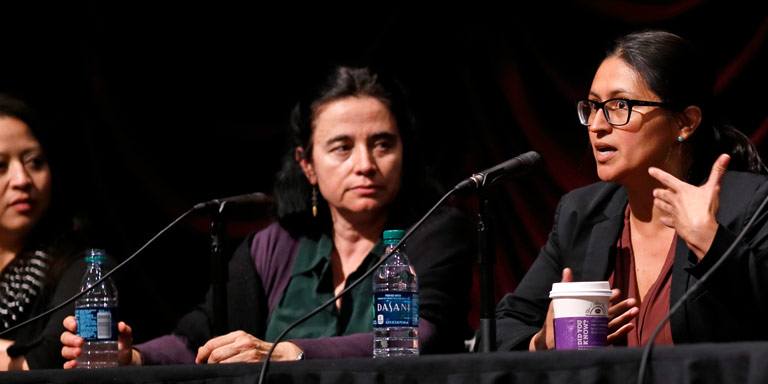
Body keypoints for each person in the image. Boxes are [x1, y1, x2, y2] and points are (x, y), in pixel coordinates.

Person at [61, 66, 474, 366]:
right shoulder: (275, 245)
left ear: (404, 152)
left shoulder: (436, 232)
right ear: (307, 164)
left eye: (382, 144)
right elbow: (200, 336)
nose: (365, 164)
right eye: (342, 147)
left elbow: (423, 337)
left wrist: (289, 353)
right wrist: (134, 357)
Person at [495, 30, 768, 351]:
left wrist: (711, 241)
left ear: (685, 122)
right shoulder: (581, 213)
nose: (597, 125)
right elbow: (505, 326)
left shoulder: (749, 203)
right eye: (594, 107)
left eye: (619, 105)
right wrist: (540, 342)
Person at [0, 94, 86, 370]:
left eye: (34, 162)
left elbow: (45, 360)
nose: (22, 180)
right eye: (0, 166)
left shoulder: (83, 266)